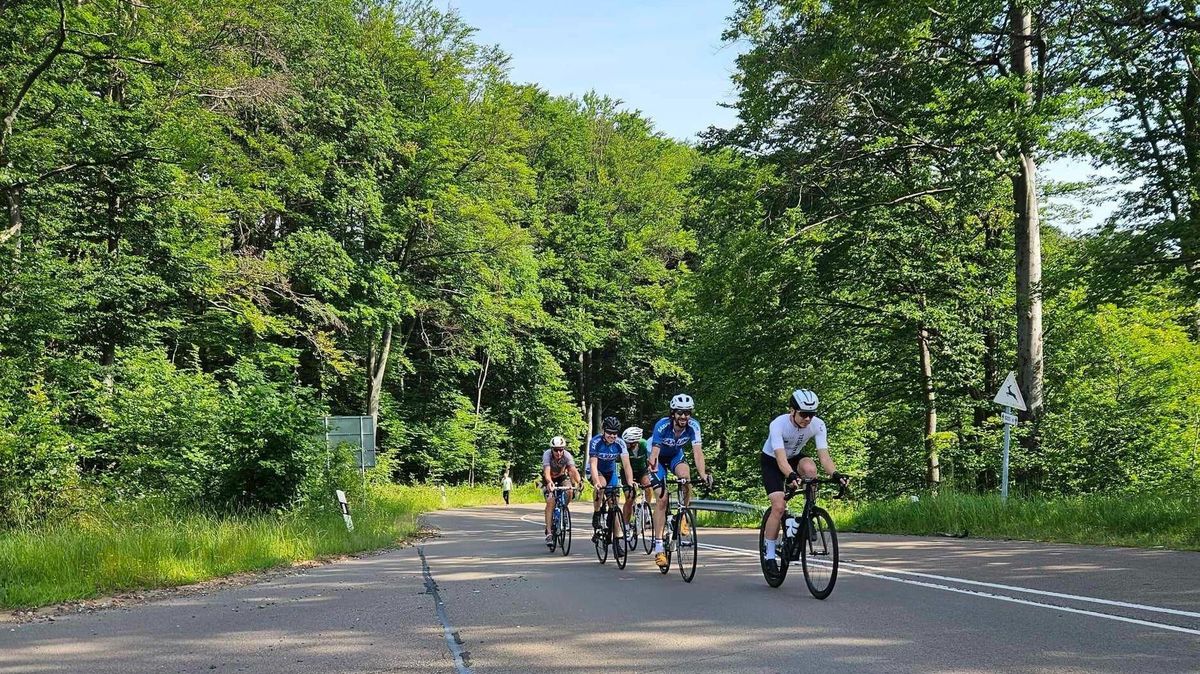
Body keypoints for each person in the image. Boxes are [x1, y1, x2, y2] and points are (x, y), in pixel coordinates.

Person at [760, 389, 847, 575]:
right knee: (778, 507)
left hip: (795, 456)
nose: (808, 419)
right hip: (773, 460)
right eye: (804, 414)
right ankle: (768, 555)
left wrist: (836, 474)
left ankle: (807, 516)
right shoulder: (778, 424)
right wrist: (791, 476)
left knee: (810, 469)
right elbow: (781, 460)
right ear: (792, 410)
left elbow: (824, 457)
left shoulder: (818, 425)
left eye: (812, 414)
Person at [648, 394, 711, 569]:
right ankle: (659, 546)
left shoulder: (693, 426)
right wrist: (653, 467)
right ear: (673, 413)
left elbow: (697, 453)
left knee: (686, 477)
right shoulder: (662, 425)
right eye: (680, 413)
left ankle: (683, 515)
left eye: (687, 413)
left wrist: (703, 474)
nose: (684, 417)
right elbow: (654, 451)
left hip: (676, 456)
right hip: (658, 459)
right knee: (662, 499)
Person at [588, 416, 636, 547]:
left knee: (614, 506)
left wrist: (630, 482)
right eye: (609, 432)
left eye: (615, 433)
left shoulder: (620, 443)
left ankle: (616, 542)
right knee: (601, 486)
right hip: (597, 471)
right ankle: (597, 513)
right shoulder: (595, 441)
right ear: (603, 431)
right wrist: (596, 482)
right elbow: (593, 464)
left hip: (611, 473)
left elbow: (626, 465)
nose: (612, 436)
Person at [542, 435, 582, 546]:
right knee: (550, 501)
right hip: (549, 478)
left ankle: (564, 508)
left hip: (561, 477)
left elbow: (573, 470)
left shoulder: (567, 456)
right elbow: (547, 471)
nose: (558, 453)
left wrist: (579, 482)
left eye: (561, 450)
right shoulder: (547, 455)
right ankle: (549, 533)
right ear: (552, 449)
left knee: (569, 491)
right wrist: (549, 483)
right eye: (556, 450)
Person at [620, 426, 653, 530]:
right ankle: (626, 526)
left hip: (641, 470)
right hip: (626, 471)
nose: (625, 444)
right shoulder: (623, 446)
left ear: (635, 442)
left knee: (648, 486)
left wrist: (650, 468)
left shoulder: (644, 444)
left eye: (628, 443)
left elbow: (650, 459)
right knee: (629, 497)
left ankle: (647, 510)